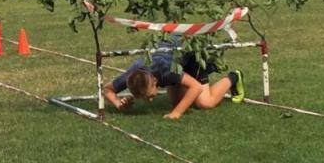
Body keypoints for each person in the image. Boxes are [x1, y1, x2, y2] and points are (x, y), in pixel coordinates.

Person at [101, 36, 245, 120]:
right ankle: (183, 86)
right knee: (176, 101)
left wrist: (176, 114)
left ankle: (234, 78)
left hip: (192, 54)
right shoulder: (131, 75)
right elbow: (107, 89)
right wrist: (118, 103)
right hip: (174, 57)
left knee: (204, 103)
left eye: (150, 96)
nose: (150, 100)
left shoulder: (166, 70)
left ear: (155, 81)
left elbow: (196, 87)